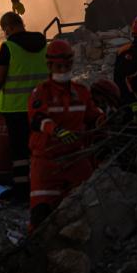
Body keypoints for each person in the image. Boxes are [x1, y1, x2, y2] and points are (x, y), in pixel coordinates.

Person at [28, 40, 103, 230]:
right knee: (40, 217)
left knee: (88, 209)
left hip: (76, 160)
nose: (63, 69)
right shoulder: (40, 93)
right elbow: (37, 119)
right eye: (59, 66)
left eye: (67, 65)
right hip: (47, 163)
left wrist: (104, 120)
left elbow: (93, 117)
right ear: (49, 66)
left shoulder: (81, 92)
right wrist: (57, 131)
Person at [0, 12, 48, 201]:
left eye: (4, 29)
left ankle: (21, 189)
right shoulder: (43, 43)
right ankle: (40, 184)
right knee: (38, 147)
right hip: (40, 106)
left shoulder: (8, 47)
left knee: (19, 152)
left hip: (15, 108)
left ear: (7, 28)